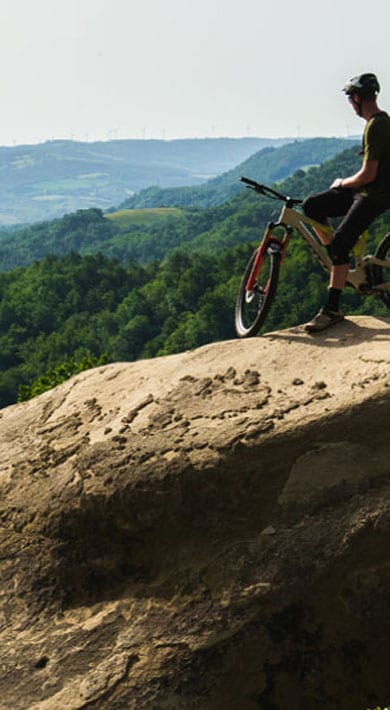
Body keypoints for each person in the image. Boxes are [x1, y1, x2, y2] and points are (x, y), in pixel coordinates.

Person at [302, 72, 390, 333]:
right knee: (312, 206)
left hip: (376, 195)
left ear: (357, 98)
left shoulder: (377, 125)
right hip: (366, 191)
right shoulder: (377, 122)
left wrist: (341, 183)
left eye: (351, 99)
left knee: (340, 244)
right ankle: (338, 259)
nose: (351, 104)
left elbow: (368, 175)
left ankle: (332, 309)